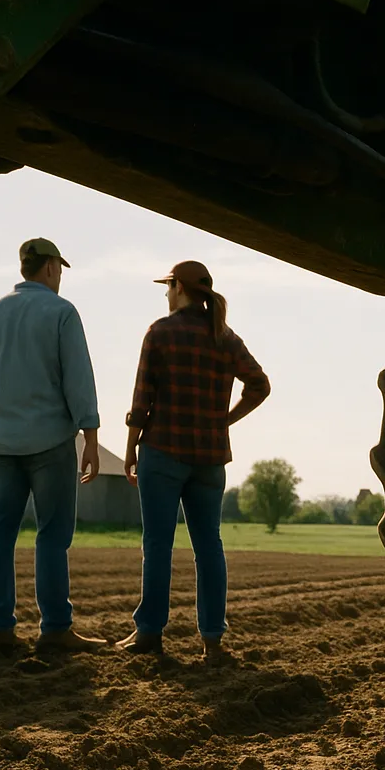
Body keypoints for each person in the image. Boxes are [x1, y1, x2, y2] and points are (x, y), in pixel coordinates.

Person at [120, 261, 270, 662]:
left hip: (163, 452)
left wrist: (132, 447)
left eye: (168, 287)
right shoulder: (225, 337)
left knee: (158, 545)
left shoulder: (160, 332)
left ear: (179, 288)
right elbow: (260, 385)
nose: (166, 294)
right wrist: (225, 420)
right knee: (209, 547)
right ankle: (213, 641)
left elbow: (142, 399)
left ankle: (149, 634)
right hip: (209, 459)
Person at [0, 238, 108, 654]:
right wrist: (90, 435)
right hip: (50, 441)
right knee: (51, 535)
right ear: (50, 268)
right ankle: (54, 629)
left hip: (0, 442)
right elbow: (78, 378)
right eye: (60, 270)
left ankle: (0, 630)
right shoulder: (61, 312)